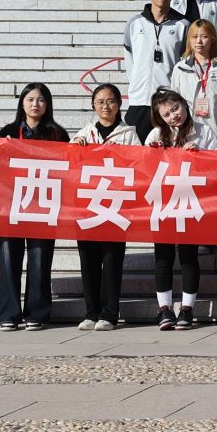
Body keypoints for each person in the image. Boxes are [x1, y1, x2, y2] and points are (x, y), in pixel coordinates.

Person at [143, 88, 217, 331]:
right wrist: (152, 154)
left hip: (190, 201)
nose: (173, 116)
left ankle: (187, 308)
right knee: (163, 257)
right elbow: (143, 170)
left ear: (185, 105)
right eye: (166, 114)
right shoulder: (156, 134)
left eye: (175, 108)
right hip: (163, 202)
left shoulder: (204, 131)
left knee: (188, 256)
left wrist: (200, 156)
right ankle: (164, 308)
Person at [0, 83, 66, 332]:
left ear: (48, 104)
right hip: (11, 205)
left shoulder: (57, 134)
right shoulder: (7, 132)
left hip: (44, 205)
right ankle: (8, 314)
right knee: (8, 260)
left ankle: (37, 313)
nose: (35, 104)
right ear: (22, 102)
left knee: (39, 261)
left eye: (41, 100)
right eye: (30, 99)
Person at [67, 82, 138, 330]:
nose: (105, 106)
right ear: (93, 105)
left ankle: (109, 314)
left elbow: (140, 165)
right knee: (88, 260)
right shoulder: (84, 133)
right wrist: (74, 149)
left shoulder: (128, 134)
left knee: (112, 260)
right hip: (88, 206)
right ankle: (91, 312)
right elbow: (69, 167)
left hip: (116, 206)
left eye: (110, 101)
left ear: (119, 104)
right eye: (100, 102)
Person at [125, 0, 190, 135]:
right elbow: (129, 58)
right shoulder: (134, 23)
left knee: (167, 146)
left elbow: (185, 61)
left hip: (168, 102)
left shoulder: (183, 25)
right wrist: (136, 82)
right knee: (136, 146)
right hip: (139, 98)